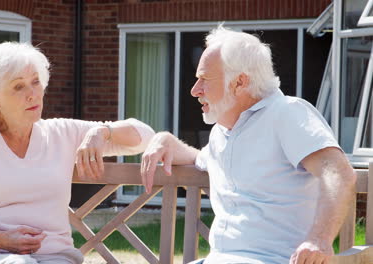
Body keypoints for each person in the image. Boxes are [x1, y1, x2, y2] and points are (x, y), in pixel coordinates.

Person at [141, 26, 356, 264]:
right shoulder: (222, 132)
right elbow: (198, 160)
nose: (195, 91)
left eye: (204, 79)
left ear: (239, 82)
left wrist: (319, 241)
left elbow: (338, 172)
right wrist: (165, 140)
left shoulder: (287, 113)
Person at [0, 42, 155, 264]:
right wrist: (1, 240)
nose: (32, 94)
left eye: (35, 82)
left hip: (56, 257)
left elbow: (145, 136)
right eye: (18, 87)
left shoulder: (62, 133)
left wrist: (101, 132)